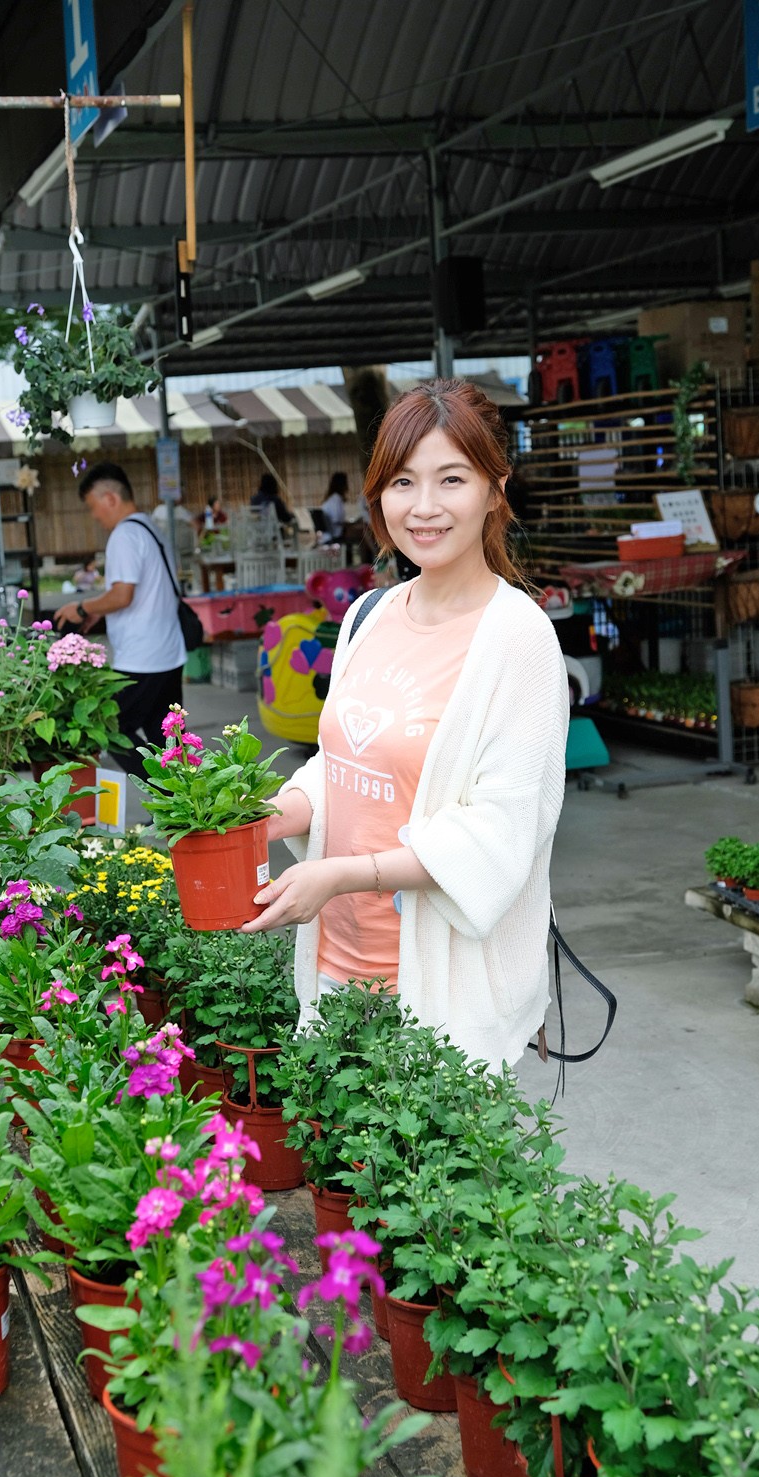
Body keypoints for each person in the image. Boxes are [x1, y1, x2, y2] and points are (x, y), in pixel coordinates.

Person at [242, 378, 568, 1071]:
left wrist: (338, 874)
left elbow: (497, 833)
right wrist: (273, 814)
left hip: (441, 988)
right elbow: (348, 766)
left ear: (494, 487)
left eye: (451, 479)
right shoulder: (370, 615)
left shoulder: (518, 639)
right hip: (333, 969)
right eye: (401, 482)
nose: (423, 508)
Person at [54, 461, 187, 777]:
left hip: (142, 658)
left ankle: (158, 789)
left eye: (93, 507)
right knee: (165, 738)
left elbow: (123, 594)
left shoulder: (125, 535)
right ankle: (176, 810)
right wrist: (97, 611)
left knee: (110, 729)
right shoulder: (151, 529)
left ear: (110, 498)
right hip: (168, 653)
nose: (95, 516)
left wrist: (83, 608)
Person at [320, 472, 348, 541]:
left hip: (328, 534)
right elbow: (337, 520)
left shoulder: (330, 499)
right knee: (364, 530)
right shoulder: (336, 499)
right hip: (335, 533)